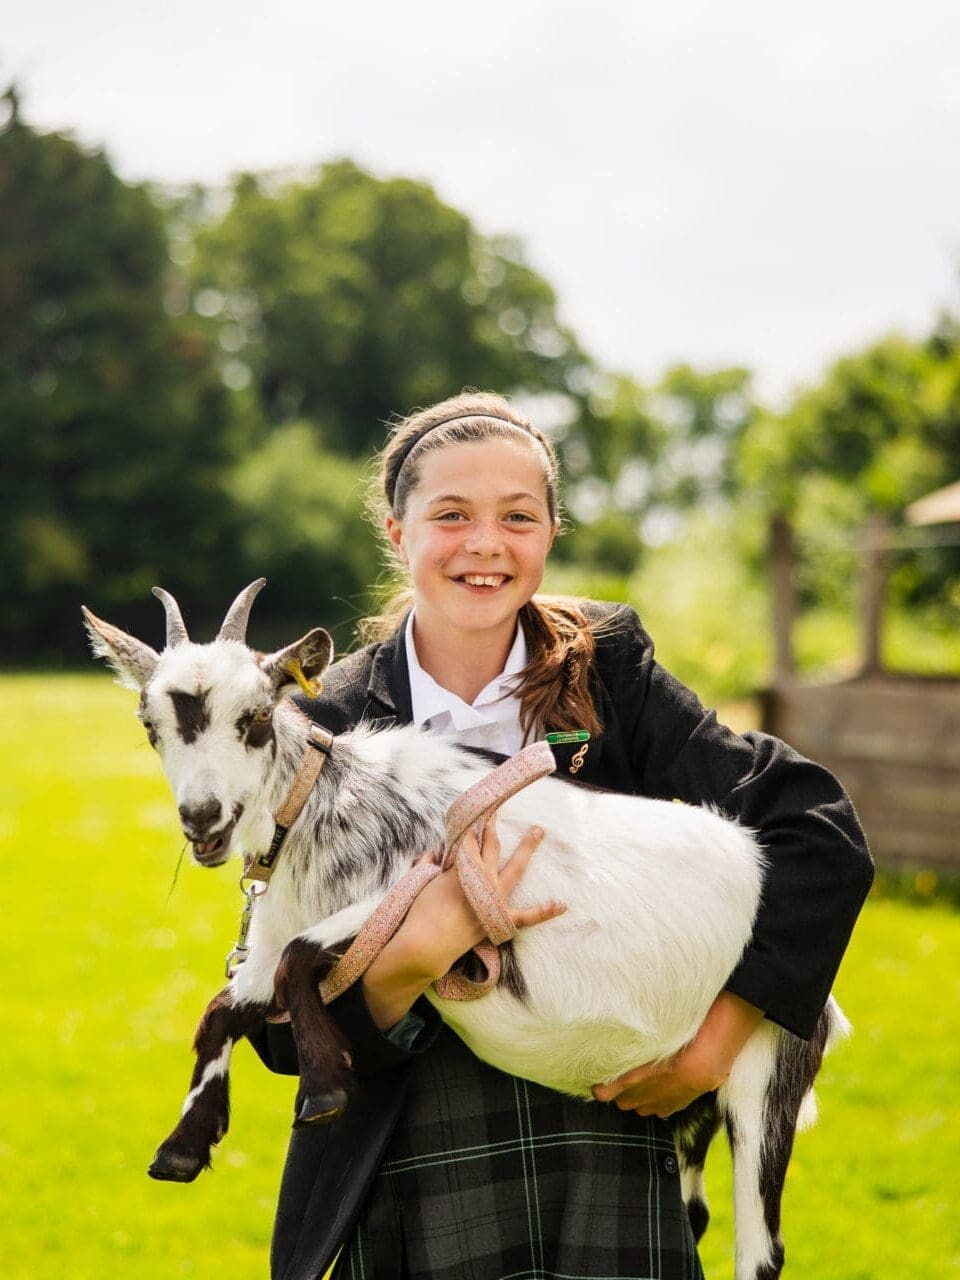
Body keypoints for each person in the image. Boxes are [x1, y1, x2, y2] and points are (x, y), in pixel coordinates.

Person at [249, 391, 873, 1280]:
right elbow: (279, 1024)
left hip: (612, 1134)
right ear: (397, 531)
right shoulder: (328, 722)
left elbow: (817, 835)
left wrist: (711, 1048)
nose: (485, 544)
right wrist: (419, 950)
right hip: (418, 1152)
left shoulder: (608, 668)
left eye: (518, 517)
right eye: (450, 515)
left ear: (550, 532)